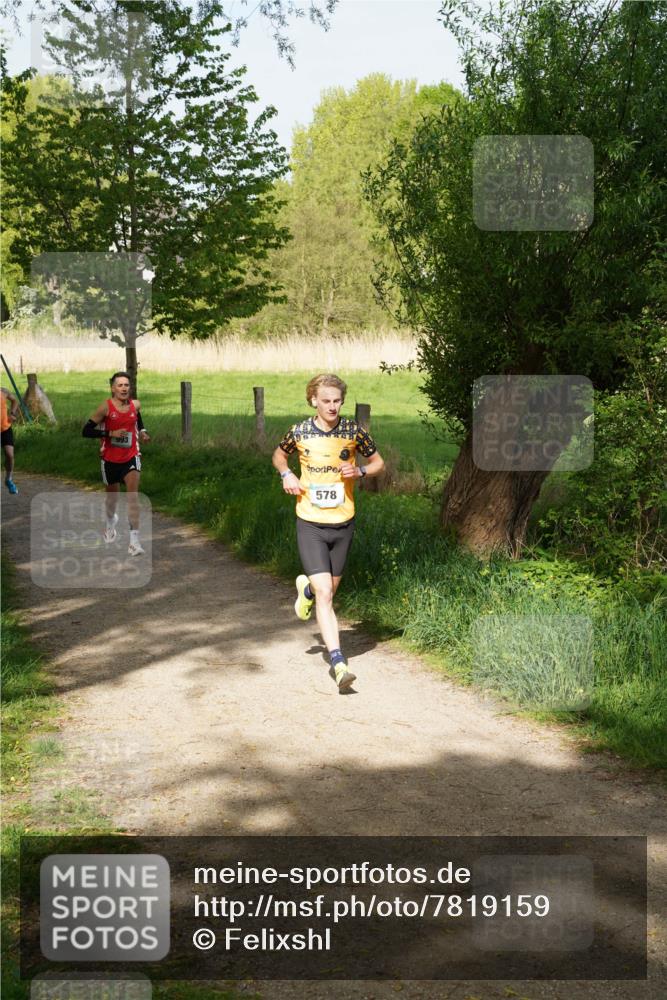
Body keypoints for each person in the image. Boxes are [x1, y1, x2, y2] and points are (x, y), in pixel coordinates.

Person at [272, 374, 384, 692]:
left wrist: (360, 470)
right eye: (326, 401)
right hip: (310, 521)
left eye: (337, 401)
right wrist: (286, 474)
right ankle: (338, 663)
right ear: (313, 401)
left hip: (343, 521)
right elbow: (278, 456)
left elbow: (378, 463)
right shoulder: (299, 431)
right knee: (326, 594)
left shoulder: (353, 432)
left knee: (327, 591)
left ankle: (306, 590)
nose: (332, 406)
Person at [82, 372, 150, 556]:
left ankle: (134, 543)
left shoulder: (135, 405)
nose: (124, 388)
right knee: (112, 500)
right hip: (110, 460)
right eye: (120, 385)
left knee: (133, 498)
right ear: (113, 388)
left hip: (131, 456)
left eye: (126, 385)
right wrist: (110, 434)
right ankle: (111, 521)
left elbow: (137, 418)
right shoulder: (105, 407)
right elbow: (86, 431)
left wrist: (142, 432)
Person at [1, 386, 20, 494]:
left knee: (10, 455)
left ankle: (8, 479)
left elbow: (15, 401)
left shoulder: (3, 391)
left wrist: (12, 413)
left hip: (5, 428)